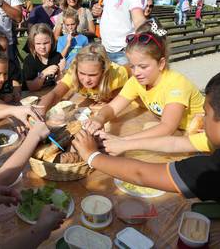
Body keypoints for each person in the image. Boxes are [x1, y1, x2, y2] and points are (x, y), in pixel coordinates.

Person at [72, 72, 220, 202]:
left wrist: (92, 156)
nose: (201, 118)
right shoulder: (211, 143)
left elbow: (140, 175)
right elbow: (174, 143)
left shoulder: (211, 170)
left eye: (206, 113)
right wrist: (122, 142)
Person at [83, 28, 205, 141]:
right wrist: (99, 119)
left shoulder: (176, 84)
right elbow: (113, 107)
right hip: (179, 131)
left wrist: (123, 141)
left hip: (200, 132)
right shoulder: (136, 82)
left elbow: (167, 127)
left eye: (143, 67)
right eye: (132, 66)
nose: (136, 73)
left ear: (161, 63)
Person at [39, 43, 129, 114]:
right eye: (82, 73)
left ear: (104, 71)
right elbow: (55, 94)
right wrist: (39, 111)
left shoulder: (116, 75)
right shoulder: (73, 74)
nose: (86, 80)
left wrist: (111, 98)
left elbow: (132, 75)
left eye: (92, 75)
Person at [91, 0, 147, 65]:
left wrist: (145, 44)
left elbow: (138, 17)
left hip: (123, 52)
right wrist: (99, 11)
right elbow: (113, 9)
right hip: (105, 49)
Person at [22, 23, 65, 91]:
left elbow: (59, 84)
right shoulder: (29, 61)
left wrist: (61, 72)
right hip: (32, 97)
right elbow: (32, 88)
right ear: (33, 44)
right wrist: (43, 74)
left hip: (51, 93)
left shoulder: (57, 56)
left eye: (46, 43)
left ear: (51, 41)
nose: (42, 47)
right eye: (38, 43)